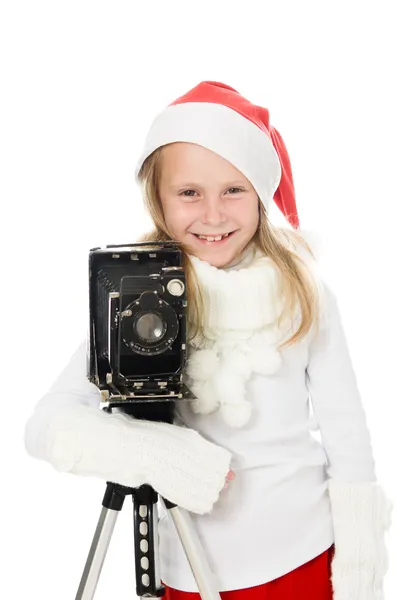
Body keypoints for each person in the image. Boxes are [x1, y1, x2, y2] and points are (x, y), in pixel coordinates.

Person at [24, 80, 393, 599]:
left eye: (234, 190)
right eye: (190, 192)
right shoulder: (134, 292)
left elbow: (347, 434)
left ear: (261, 194)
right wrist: (155, 452)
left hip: (303, 553)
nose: (214, 215)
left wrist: (359, 568)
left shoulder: (304, 291)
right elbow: (47, 424)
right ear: (158, 198)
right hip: (189, 563)